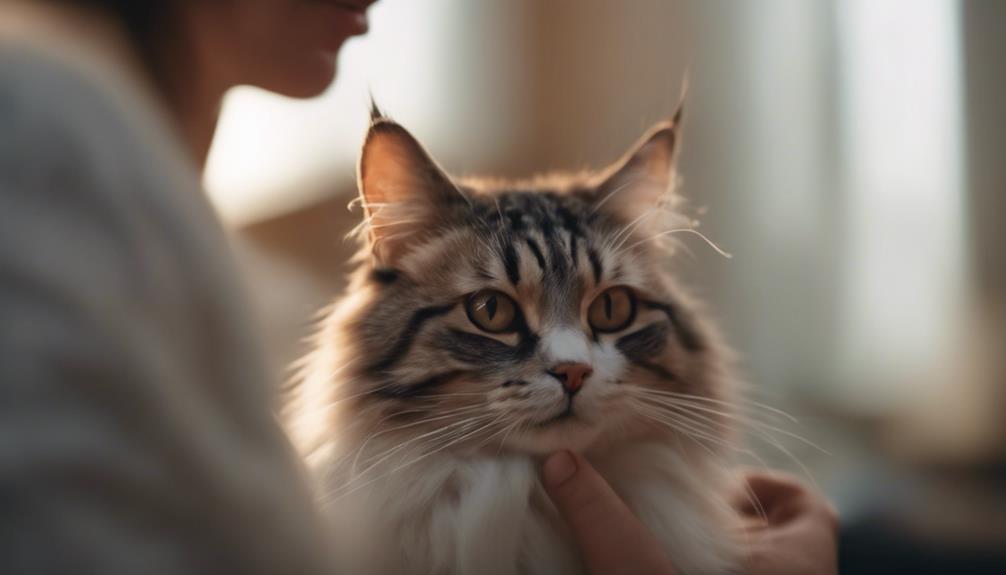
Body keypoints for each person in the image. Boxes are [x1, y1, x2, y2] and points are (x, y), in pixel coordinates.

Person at [0, 0, 838, 573]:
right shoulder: (47, 147)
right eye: (492, 310)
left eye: (611, 311)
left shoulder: (205, 265)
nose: (575, 361)